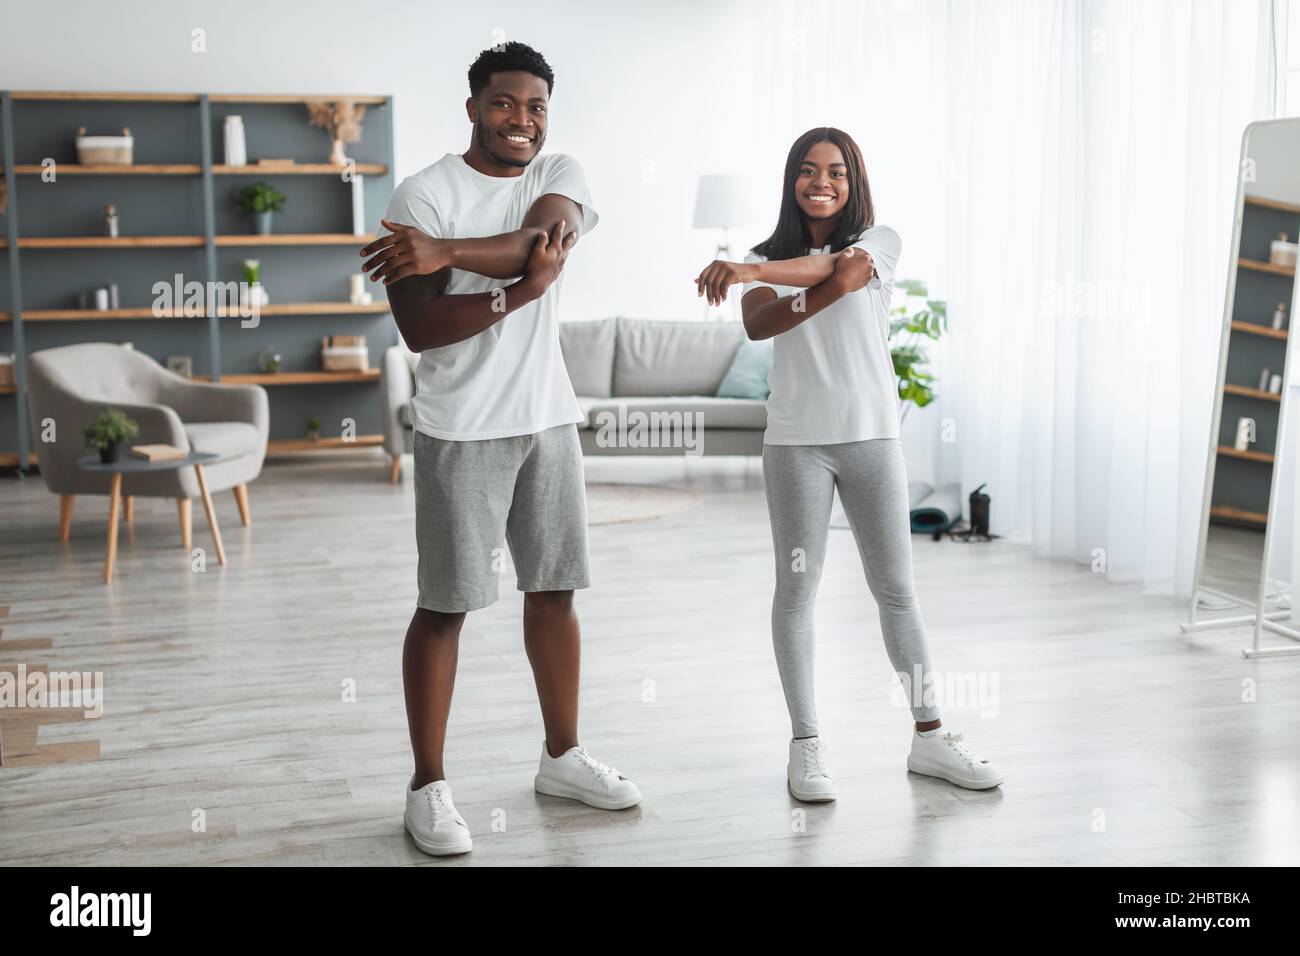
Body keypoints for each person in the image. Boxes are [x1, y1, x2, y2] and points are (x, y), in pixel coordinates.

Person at [360, 41, 640, 857]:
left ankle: (561, 757)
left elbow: (539, 242)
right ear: (474, 105)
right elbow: (420, 329)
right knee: (445, 607)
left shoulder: (558, 173)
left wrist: (446, 255)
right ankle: (428, 787)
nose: (523, 120)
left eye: (536, 107)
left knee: (554, 592)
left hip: (547, 419)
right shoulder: (424, 191)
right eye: (507, 103)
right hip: (460, 427)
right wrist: (521, 293)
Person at [694, 127, 1003, 800]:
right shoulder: (762, 256)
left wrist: (776, 278)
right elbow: (759, 325)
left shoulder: (878, 242)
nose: (821, 181)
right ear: (792, 181)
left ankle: (931, 738)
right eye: (808, 170)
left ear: (853, 179)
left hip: (870, 440)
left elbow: (847, 274)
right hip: (796, 444)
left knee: (897, 591)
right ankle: (806, 744)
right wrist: (805, 282)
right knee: (797, 593)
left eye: (835, 170)